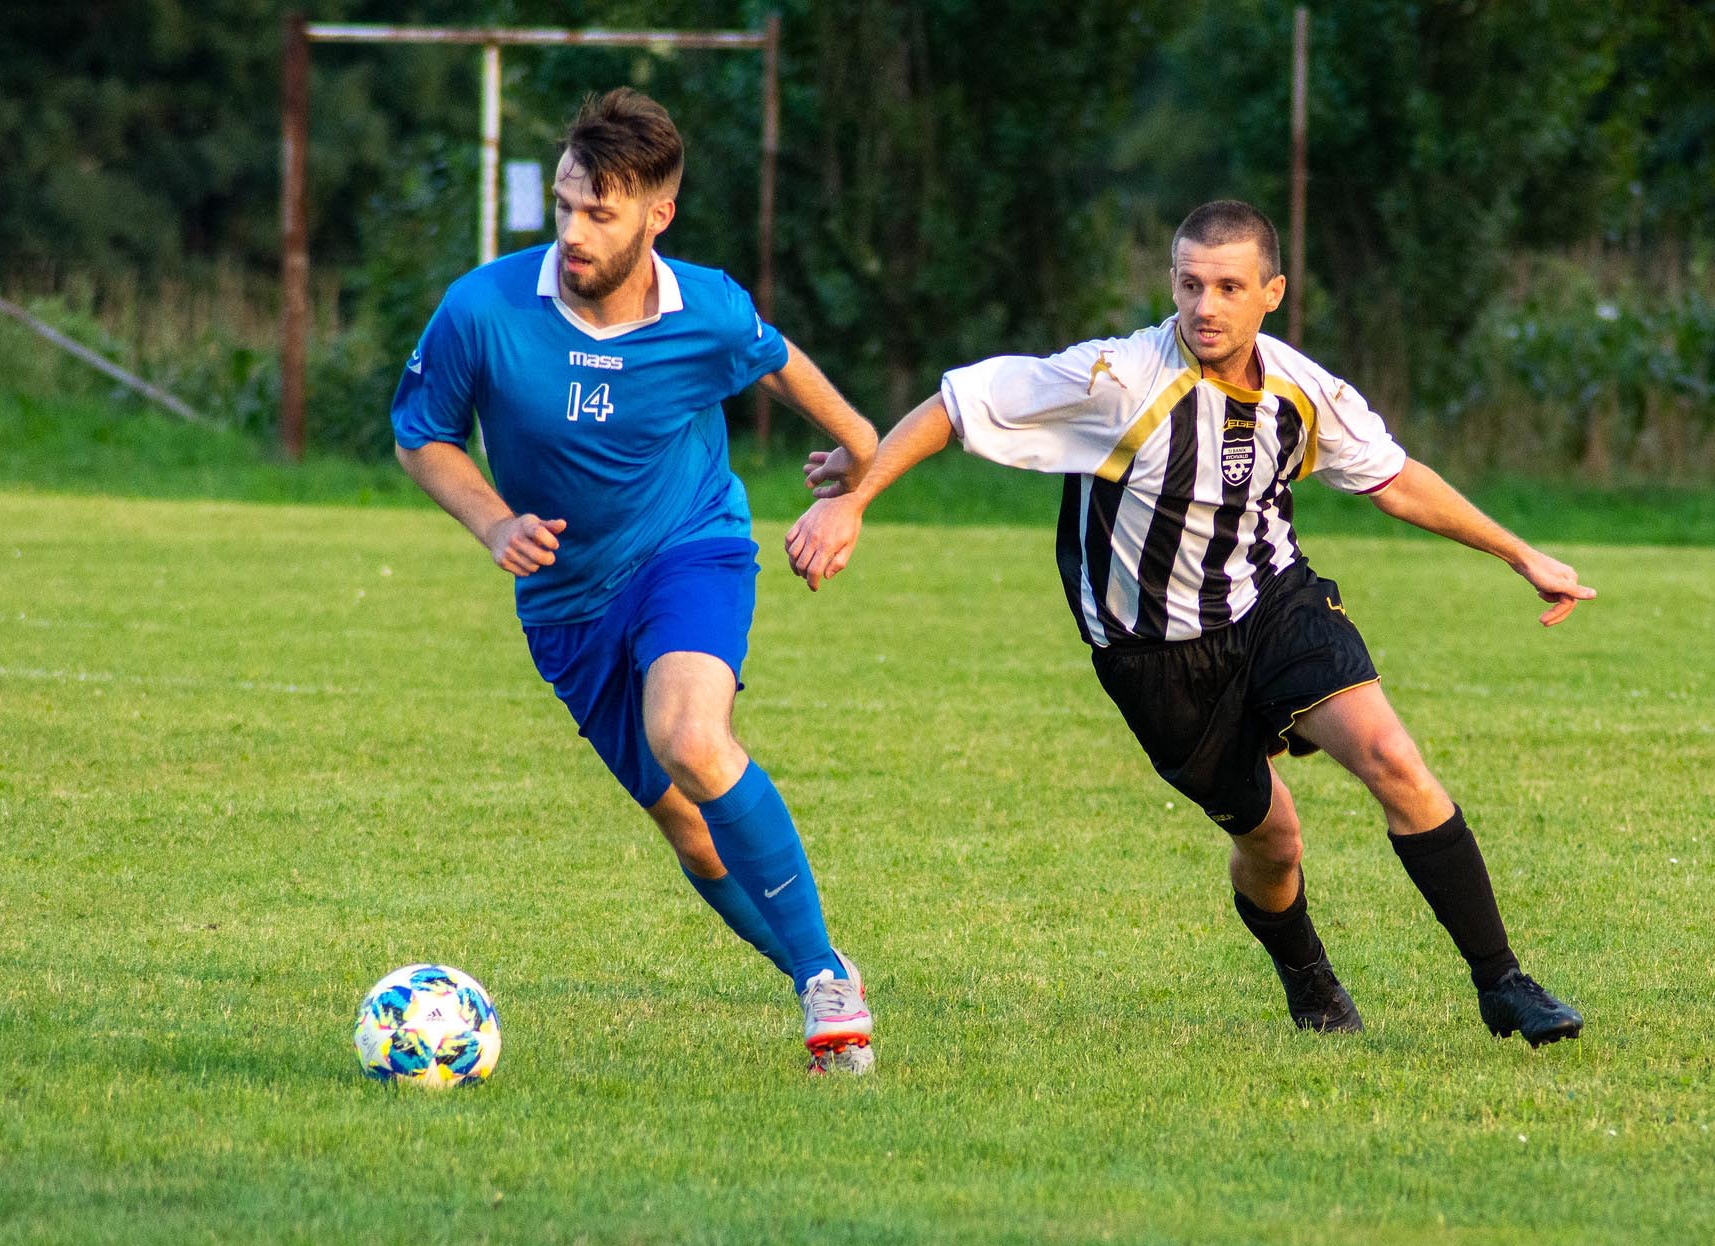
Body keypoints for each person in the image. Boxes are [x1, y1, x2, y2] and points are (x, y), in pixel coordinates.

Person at [786, 199, 1592, 1047]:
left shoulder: (1300, 389)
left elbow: (1393, 479)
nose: (1206, 306)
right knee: (1276, 841)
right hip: (1155, 657)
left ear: (1271, 293)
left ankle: (1503, 982)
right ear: (1172, 283)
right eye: (1190, 283)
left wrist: (1520, 554)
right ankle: (1307, 975)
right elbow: (960, 403)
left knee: (1393, 757)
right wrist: (856, 500)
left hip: (1271, 597)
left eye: (1229, 287)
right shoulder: (1121, 378)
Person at [390, 89, 876, 1073]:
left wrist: (860, 456)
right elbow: (420, 436)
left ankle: (825, 983)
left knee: (691, 737)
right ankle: (816, 970)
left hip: (687, 548)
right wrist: (493, 522)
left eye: (599, 212)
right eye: (566, 204)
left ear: (657, 214)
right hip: (566, 607)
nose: (573, 230)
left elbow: (774, 361)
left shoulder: (706, 310)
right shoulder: (481, 309)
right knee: (693, 837)